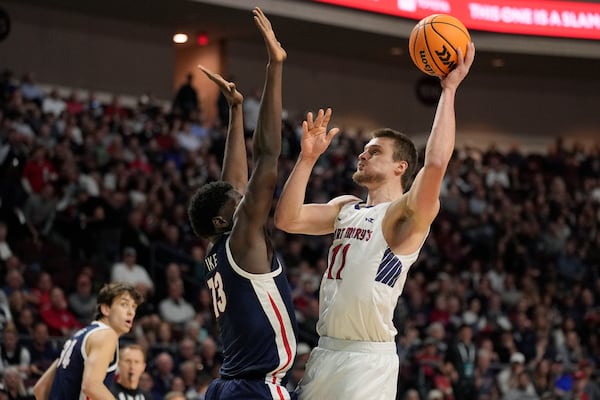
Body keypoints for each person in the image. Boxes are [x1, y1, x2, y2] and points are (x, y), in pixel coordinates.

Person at [274, 43, 475, 399]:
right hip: (325, 351)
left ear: (401, 167)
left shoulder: (405, 214)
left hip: (367, 359)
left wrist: (449, 90)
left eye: (375, 151)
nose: (363, 155)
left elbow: (437, 163)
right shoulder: (345, 207)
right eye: (364, 150)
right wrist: (306, 160)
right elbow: (287, 219)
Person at [187, 7, 297, 399]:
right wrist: (275, 65)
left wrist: (235, 111)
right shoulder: (240, 238)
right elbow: (267, 156)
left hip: (230, 385)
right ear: (223, 220)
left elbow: (229, 183)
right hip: (256, 389)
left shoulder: (221, 246)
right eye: (239, 200)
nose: (244, 193)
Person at [32, 282, 143, 400]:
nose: (131, 312)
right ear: (106, 309)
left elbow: (40, 389)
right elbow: (91, 386)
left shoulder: (78, 336)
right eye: (124, 304)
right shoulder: (106, 335)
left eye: (134, 306)